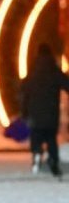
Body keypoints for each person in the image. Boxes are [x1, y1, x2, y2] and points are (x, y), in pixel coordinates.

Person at [20, 43, 69, 178]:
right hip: (51, 112)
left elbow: (24, 90)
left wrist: (24, 111)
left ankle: (36, 153)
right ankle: (53, 161)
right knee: (51, 138)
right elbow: (67, 85)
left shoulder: (32, 70)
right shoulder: (54, 70)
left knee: (36, 136)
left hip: (34, 111)